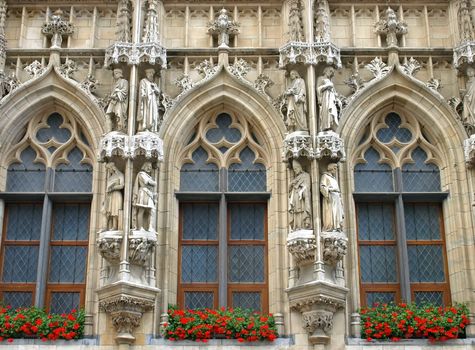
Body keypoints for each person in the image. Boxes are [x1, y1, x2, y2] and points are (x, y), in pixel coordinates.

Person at [132, 162, 157, 231]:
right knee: (141, 210)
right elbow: (148, 182)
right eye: (148, 166)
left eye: (150, 167)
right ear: (144, 166)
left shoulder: (147, 175)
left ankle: (150, 227)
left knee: (151, 211)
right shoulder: (141, 174)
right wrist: (154, 182)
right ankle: (140, 227)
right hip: (143, 193)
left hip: (149, 194)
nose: (149, 168)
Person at [288, 159, 312, 231]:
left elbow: (307, 186)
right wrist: (291, 185)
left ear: (299, 168)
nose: (295, 171)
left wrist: (301, 188)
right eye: (294, 169)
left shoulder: (306, 175)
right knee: (296, 212)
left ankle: (304, 224)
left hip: (302, 197)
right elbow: (289, 189)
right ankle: (297, 226)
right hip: (295, 197)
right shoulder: (296, 178)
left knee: (302, 210)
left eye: (295, 169)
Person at [320, 163, 344, 232]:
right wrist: (330, 190)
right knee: (331, 213)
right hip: (330, 197)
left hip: (337, 198)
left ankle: (337, 227)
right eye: (334, 168)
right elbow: (322, 187)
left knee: (337, 213)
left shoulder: (334, 179)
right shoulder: (325, 176)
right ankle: (331, 227)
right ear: (330, 168)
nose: (336, 170)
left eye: (336, 168)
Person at [317, 66, 341, 132]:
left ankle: (330, 126)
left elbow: (334, 92)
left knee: (331, 112)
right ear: (325, 70)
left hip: (330, 99)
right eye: (330, 71)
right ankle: (325, 126)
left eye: (332, 72)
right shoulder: (321, 78)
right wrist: (327, 86)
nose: (331, 73)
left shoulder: (330, 81)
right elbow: (318, 89)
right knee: (326, 111)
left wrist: (337, 99)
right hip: (324, 99)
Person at [137, 68, 161, 133]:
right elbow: (142, 90)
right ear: (146, 74)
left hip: (153, 100)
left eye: (152, 74)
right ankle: (145, 127)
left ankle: (153, 128)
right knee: (146, 113)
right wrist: (143, 94)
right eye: (149, 73)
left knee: (154, 114)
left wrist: (154, 88)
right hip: (146, 101)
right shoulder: (143, 81)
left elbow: (158, 92)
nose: (151, 75)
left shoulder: (154, 84)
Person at [103, 163, 125, 231]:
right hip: (110, 195)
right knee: (109, 210)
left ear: (113, 168)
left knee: (115, 210)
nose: (109, 171)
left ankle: (115, 226)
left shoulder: (120, 175)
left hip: (117, 194)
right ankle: (107, 226)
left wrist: (113, 187)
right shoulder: (111, 177)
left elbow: (122, 185)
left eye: (109, 169)